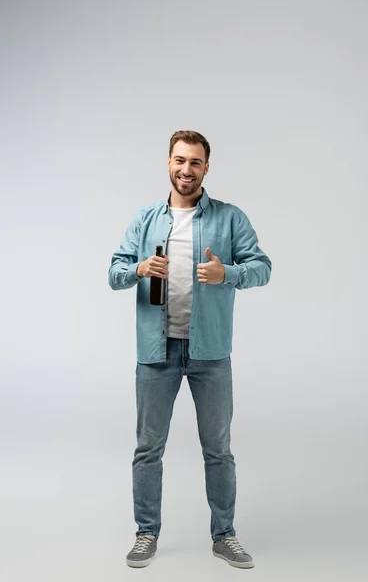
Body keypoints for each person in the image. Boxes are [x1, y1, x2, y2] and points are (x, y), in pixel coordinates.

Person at [108, 130, 272, 569]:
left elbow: (263, 268)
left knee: (218, 449)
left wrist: (228, 274)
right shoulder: (146, 219)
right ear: (168, 163)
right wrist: (140, 268)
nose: (186, 169)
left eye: (195, 162)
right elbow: (114, 271)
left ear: (206, 168)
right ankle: (146, 533)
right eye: (179, 160)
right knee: (148, 448)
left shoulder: (229, 218)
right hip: (156, 353)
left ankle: (225, 535)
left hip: (210, 353)